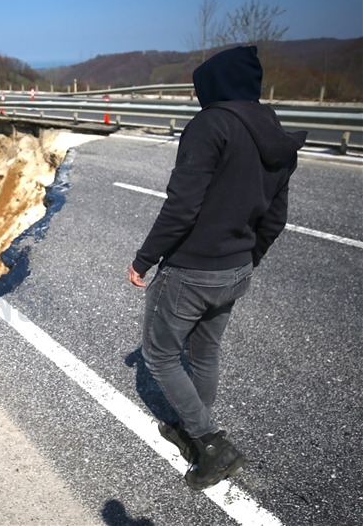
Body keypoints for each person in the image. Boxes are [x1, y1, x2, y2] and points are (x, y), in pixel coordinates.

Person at [128, 45, 306, 490]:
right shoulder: (274, 131)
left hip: (191, 269)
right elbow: (276, 218)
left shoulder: (210, 125)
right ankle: (195, 429)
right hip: (236, 269)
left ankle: (210, 444)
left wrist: (144, 259)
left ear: (213, 85)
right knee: (205, 351)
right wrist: (246, 260)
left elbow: (182, 207)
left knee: (159, 354)